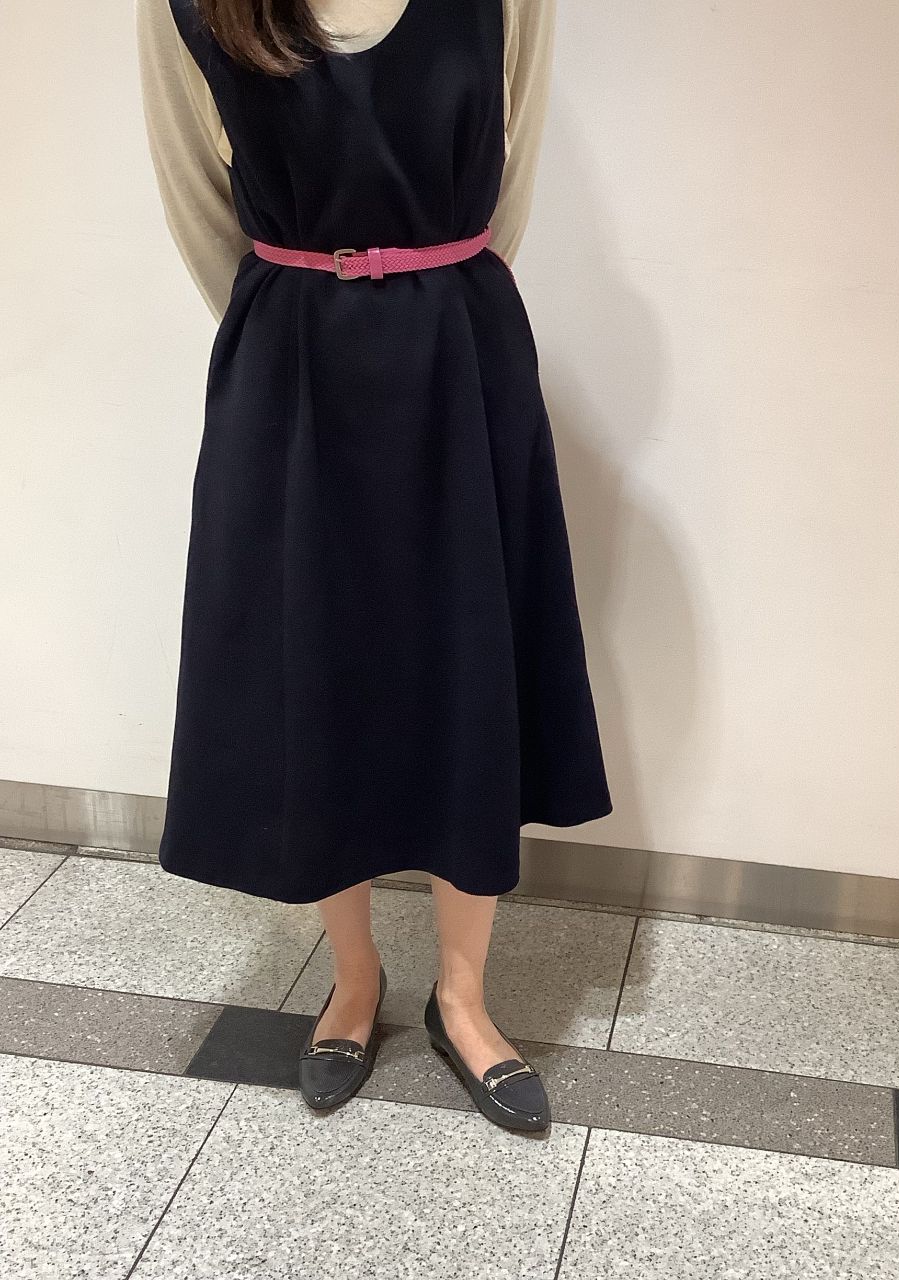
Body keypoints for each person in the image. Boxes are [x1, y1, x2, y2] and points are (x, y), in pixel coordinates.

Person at [134, 0, 613, 1131]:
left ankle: (463, 995)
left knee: (467, 661)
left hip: (459, 355)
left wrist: (429, 296)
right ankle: (354, 979)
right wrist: (303, 303)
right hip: (292, 361)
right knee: (314, 670)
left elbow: (510, 171)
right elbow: (195, 200)